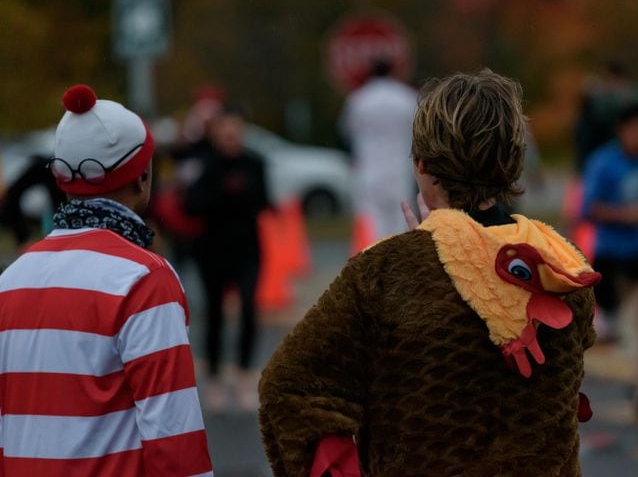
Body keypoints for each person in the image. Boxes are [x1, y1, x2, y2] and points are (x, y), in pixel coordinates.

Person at [259, 70, 601, 476]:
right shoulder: (563, 267)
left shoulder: (385, 272)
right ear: (512, 162)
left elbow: (289, 388)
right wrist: (444, 244)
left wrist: (423, 248)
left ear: (421, 164)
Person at [0, 85, 213, 476]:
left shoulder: (10, 282)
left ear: (63, 179)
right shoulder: (145, 280)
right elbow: (174, 437)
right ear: (141, 177)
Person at [581, 102, 638, 414]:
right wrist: (623, 215)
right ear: (623, 130)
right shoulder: (604, 163)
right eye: (637, 129)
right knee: (600, 335)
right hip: (610, 260)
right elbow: (587, 209)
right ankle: (571, 387)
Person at [184, 107, 271, 411]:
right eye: (225, 131)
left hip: (247, 248)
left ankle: (246, 375)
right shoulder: (204, 164)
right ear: (216, 133)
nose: (231, 137)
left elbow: (264, 201)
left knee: (249, 306)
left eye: (236, 131)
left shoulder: (255, 163)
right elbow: (191, 204)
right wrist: (220, 192)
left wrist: (244, 194)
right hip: (212, 249)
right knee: (215, 312)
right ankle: (216, 377)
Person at [340, 58, 418, 243]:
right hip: (399, 168)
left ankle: (376, 263)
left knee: (372, 223)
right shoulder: (406, 97)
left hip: (369, 169)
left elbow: (347, 131)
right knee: (401, 218)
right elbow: (419, 130)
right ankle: (399, 262)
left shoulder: (359, 99)